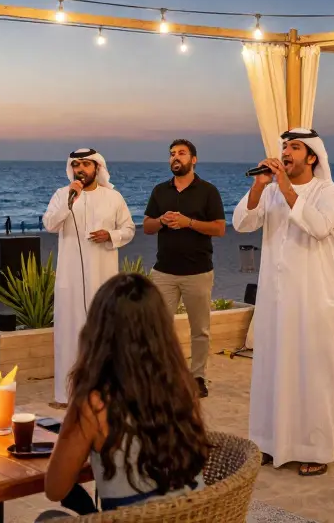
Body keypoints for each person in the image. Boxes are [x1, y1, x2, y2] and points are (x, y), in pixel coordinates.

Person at [40, 273, 209, 518]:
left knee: (48, 518)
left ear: (99, 332)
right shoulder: (182, 388)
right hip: (195, 516)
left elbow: (54, 488)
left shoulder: (95, 404)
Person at [233, 128, 334, 477]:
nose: (286, 152)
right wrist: (259, 186)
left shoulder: (329, 191)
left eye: (295, 147)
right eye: (284, 147)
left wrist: (284, 189)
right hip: (275, 296)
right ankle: (269, 441)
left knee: (311, 372)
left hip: (312, 296)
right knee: (272, 368)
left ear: (312, 157)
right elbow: (241, 223)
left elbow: (320, 227)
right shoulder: (269, 190)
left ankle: (314, 449)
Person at [42, 149, 136, 407]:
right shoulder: (63, 195)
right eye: (75, 165)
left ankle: (104, 393)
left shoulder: (113, 197)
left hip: (102, 278)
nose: (80, 169)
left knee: (103, 334)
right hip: (69, 281)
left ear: (97, 168)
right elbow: (49, 224)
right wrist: (69, 201)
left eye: (85, 164)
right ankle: (65, 396)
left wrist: (111, 236)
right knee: (68, 334)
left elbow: (129, 229)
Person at [142, 139, 226, 398]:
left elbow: (220, 228)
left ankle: (198, 377)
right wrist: (161, 221)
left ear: (194, 159)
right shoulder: (160, 191)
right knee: (157, 328)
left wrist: (188, 222)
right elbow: (146, 226)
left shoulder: (208, 191)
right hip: (163, 272)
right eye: (171, 154)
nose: (175, 157)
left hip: (198, 272)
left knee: (199, 329)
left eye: (181, 153)